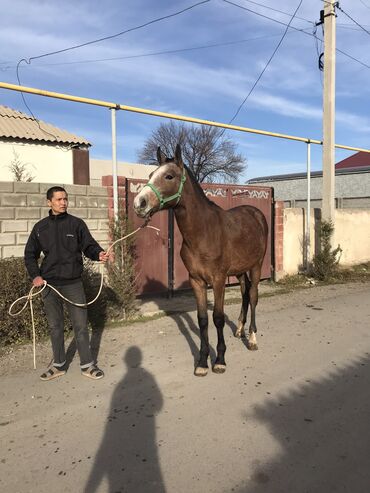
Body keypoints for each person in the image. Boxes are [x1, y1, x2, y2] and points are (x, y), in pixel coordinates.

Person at [24, 186, 110, 381]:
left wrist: (98, 254)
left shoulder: (76, 224)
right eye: (59, 199)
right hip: (49, 285)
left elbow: (89, 245)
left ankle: (88, 365)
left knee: (80, 326)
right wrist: (35, 276)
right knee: (55, 326)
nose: (63, 202)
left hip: (73, 284)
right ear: (49, 202)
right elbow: (30, 255)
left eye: (65, 199)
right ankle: (59, 365)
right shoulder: (40, 228)